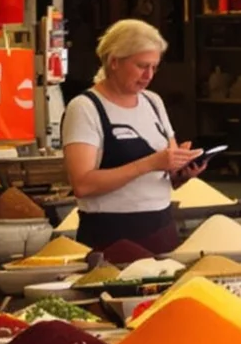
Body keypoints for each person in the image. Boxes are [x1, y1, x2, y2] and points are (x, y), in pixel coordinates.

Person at [62, 20, 204, 253]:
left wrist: (182, 171)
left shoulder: (153, 102)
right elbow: (83, 185)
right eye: (141, 66)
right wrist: (151, 163)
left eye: (154, 67)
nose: (149, 75)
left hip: (161, 228)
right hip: (111, 236)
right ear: (114, 61)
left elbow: (163, 178)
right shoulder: (85, 108)